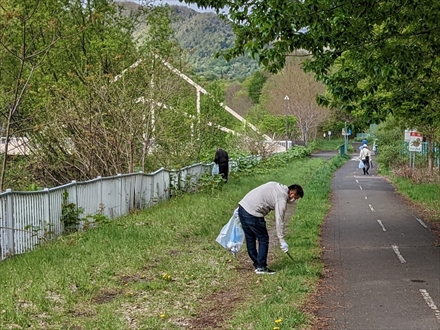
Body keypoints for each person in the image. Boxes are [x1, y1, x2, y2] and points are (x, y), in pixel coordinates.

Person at [237, 182, 304, 274]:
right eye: (295, 198)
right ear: (292, 193)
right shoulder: (282, 198)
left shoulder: (276, 185)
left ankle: (257, 264)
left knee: (250, 238)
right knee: (263, 239)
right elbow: (279, 220)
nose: (293, 200)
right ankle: (261, 267)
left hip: (242, 208)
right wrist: (282, 240)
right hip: (253, 212)